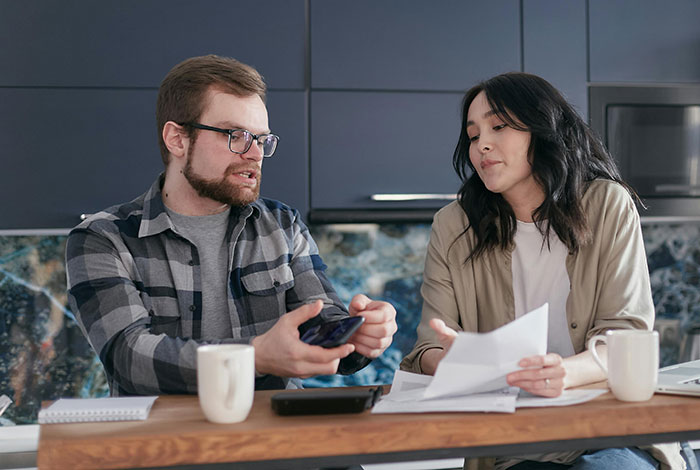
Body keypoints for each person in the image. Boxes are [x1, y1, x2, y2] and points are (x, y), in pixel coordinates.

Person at [400, 72, 686, 469]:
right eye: (473, 133)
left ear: (543, 129)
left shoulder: (607, 204)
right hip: (508, 443)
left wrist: (563, 374)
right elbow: (426, 348)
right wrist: (455, 361)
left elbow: (626, 335)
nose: (482, 144)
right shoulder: (454, 225)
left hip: (605, 431)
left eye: (499, 126)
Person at [66, 54, 397, 395]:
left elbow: (320, 323)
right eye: (236, 135)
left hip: (275, 439)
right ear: (177, 139)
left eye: (262, 139)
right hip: (166, 443)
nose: (254, 154)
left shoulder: (282, 225)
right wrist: (253, 358)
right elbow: (128, 357)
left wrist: (359, 335)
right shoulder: (103, 238)